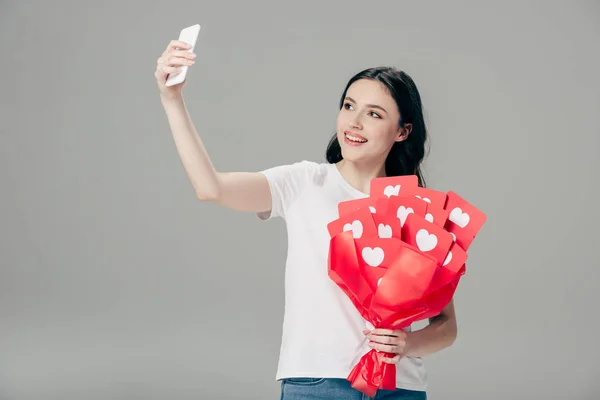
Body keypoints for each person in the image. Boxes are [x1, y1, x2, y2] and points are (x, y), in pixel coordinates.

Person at [155, 39, 458, 400]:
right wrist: (172, 99)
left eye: (374, 114)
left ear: (402, 131)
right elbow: (211, 187)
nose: (354, 122)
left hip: (400, 388)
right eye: (349, 106)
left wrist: (407, 343)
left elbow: (446, 326)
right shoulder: (303, 183)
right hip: (317, 383)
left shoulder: (418, 209)